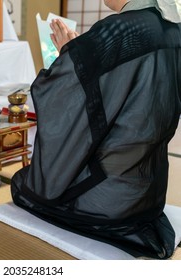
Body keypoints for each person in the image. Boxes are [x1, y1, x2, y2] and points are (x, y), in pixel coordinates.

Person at [11, 0, 181, 259]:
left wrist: (70, 54)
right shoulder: (171, 26)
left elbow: (60, 96)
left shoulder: (117, 29)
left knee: (25, 186)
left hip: (109, 201)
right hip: (148, 191)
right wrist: (81, 57)